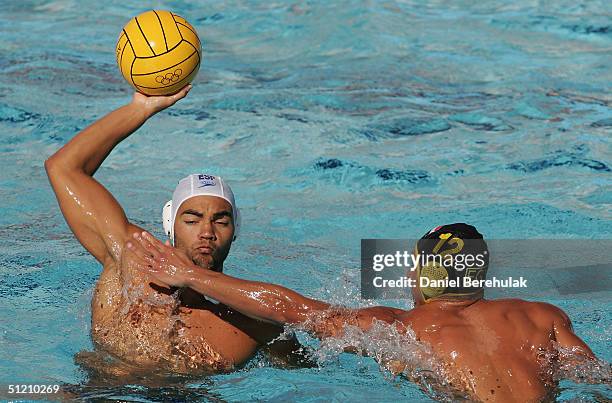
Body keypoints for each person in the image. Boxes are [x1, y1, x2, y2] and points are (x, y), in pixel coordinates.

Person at [126, 223, 597, 401]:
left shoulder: (400, 327)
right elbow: (596, 380)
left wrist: (193, 277)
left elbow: (292, 310)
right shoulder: (543, 317)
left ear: (421, 274)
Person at [45, 85, 306, 374]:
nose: (207, 231)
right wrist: (139, 109)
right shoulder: (129, 257)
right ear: (171, 226)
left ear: (235, 229)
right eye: (192, 220)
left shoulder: (254, 324)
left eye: (220, 221)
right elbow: (63, 167)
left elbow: (317, 374)